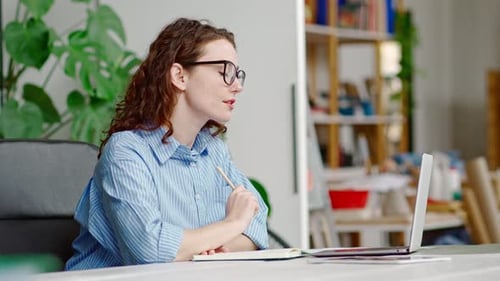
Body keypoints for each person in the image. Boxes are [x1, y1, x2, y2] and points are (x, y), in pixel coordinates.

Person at [65, 17, 269, 270]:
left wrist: (216, 249)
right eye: (224, 71)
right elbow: (149, 249)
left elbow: (258, 223)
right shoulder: (127, 152)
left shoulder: (214, 151)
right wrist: (232, 225)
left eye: (237, 74)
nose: (237, 86)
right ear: (180, 76)